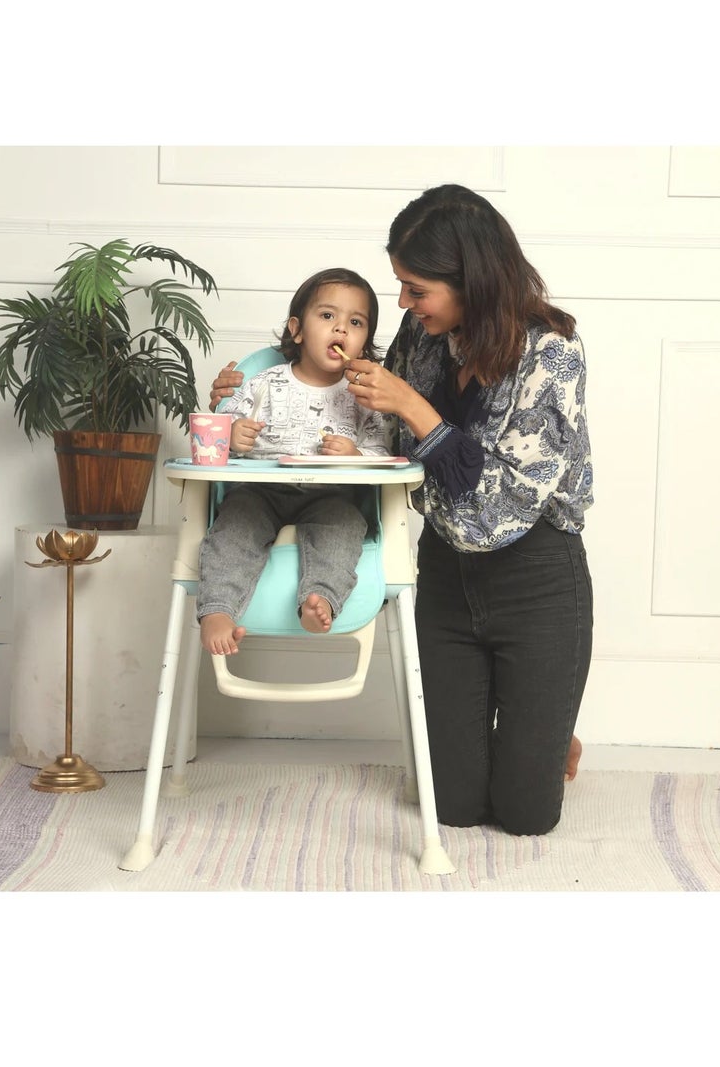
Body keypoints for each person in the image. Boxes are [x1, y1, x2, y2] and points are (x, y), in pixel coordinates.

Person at [209, 186, 593, 837]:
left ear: (470, 280)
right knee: (452, 808)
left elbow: (497, 511)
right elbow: (342, 382)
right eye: (401, 287)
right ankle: (532, 738)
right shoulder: (425, 336)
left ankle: (549, 741)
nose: (403, 306)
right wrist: (248, 384)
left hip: (537, 579)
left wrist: (415, 407)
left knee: (526, 815)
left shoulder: (551, 352)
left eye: (416, 289)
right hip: (444, 576)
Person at [198, 267, 389, 656]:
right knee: (234, 528)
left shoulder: (364, 394)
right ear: (297, 330)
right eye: (327, 316)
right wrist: (234, 436)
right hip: (260, 492)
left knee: (344, 527)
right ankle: (217, 610)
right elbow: (220, 432)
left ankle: (319, 600)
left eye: (355, 322)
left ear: (365, 340)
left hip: (331, 497)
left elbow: (383, 451)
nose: (340, 330)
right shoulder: (264, 380)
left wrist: (354, 456)